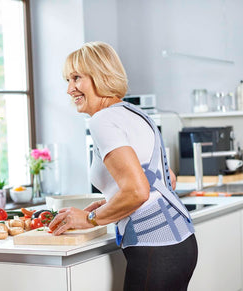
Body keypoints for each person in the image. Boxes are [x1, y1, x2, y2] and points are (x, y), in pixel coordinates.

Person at [49, 41, 198, 290]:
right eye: (67, 80)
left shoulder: (102, 121)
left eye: (76, 78)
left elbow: (139, 191)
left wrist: (90, 218)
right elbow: (167, 179)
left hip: (155, 247)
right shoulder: (133, 113)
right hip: (180, 243)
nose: (69, 89)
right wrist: (113, 202)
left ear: (100, 75)